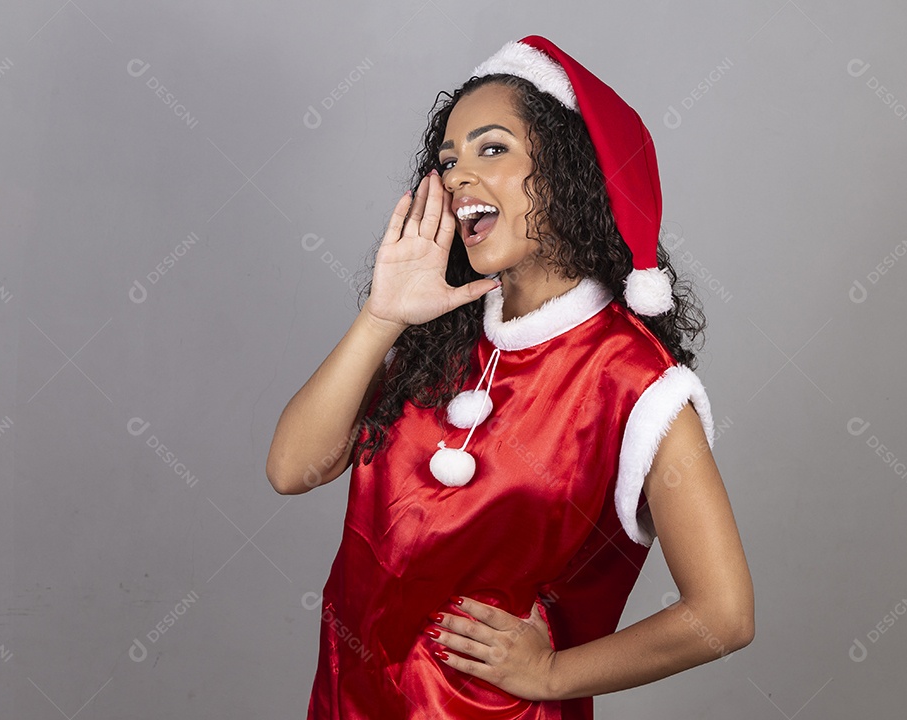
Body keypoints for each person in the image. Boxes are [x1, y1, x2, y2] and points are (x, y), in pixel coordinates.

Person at [267, 35, 754, 719]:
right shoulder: (437, 339)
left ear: (567, 169)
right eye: (449, 161)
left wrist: (554, 674)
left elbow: (724, 614)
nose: (460, 175)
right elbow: (293, 468)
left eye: (492, 149)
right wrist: (382, 317)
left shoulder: (637, 384)